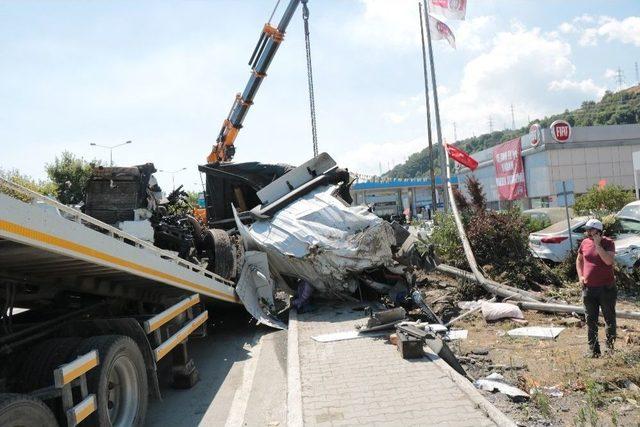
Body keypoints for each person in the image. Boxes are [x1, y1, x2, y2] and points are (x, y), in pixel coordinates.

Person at [575, 218, 617, 358]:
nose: (587, 232)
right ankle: (594, 350)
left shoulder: (608, 243)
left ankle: (610, 349)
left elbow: (608, 261)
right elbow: (579, 260)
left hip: (606, 288)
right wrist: (581, 276)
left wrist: (598, 246)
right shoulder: (585, 243)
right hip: (588, 289)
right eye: (587, 230)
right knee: (590, 319)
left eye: (590, 230)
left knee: (609, 318)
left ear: (598, 230)